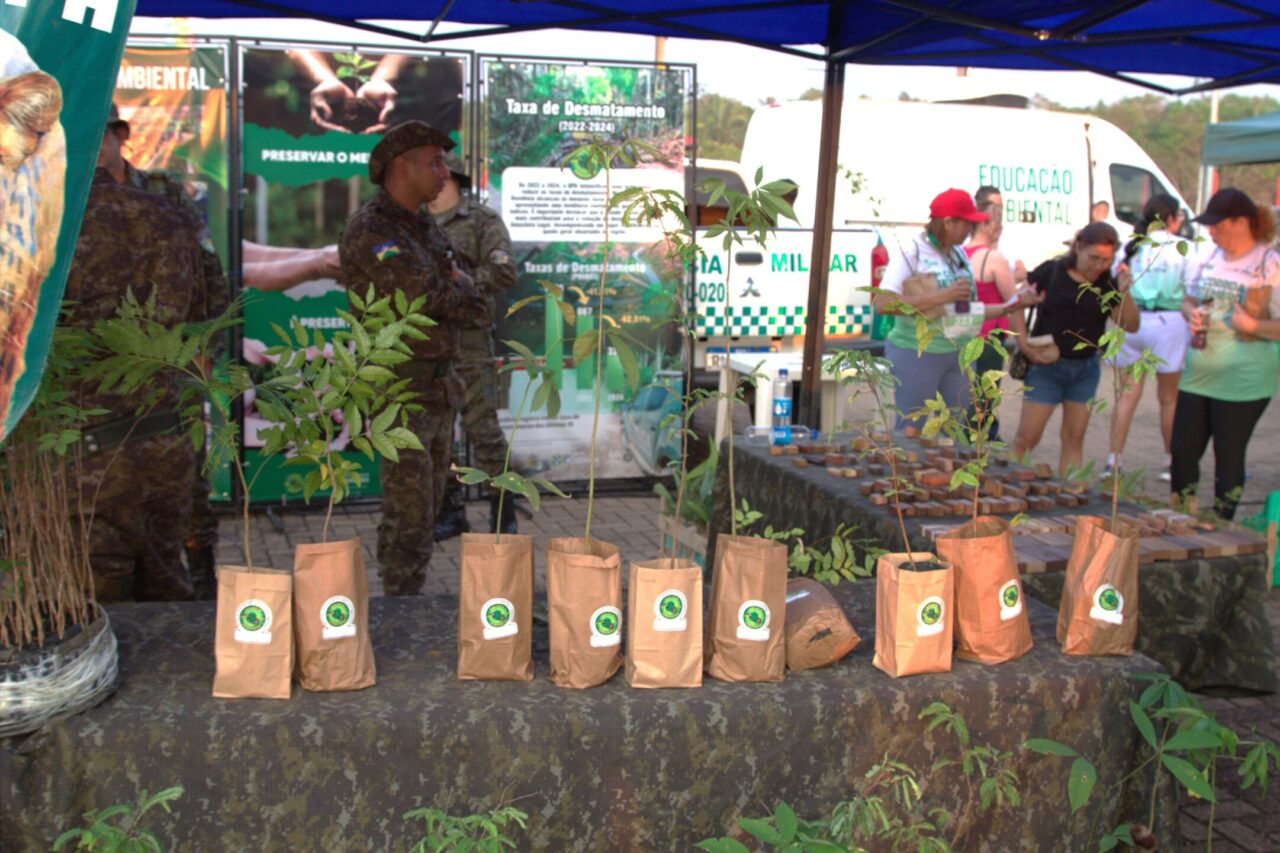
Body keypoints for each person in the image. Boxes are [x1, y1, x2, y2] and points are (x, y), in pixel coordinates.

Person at [63, 123, 214, 602]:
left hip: (82, 453)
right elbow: (206, 311)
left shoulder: (45, 225)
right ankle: (183, 673)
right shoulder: (168, 217)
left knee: (93, 599)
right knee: (164, 577)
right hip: (163, 440)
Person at [338, 121, 487, 596]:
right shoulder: (373, 230)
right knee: (408, 514)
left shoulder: (422, 226)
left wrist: (460, 290)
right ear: (402, 167)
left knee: (428, 507)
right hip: (399, 393)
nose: (445, 172)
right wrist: (460, 290)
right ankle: (400, 611)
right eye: (435, 161)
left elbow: (468, 295)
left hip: (437, 389)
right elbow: (428, 295)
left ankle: (408, 601)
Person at [100, 103, 229, 600]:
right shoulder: (66, 198)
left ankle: (201, 576)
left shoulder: (164, 193)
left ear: (121, 135)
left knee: (189, 478)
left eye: (102, 135)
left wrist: (206, 346)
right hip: (106, 375)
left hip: (172, 365)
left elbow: (208, 271)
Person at [874, 188, 1035, 426]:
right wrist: (941, 296)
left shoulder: (959, 253)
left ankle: (947, 465)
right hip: (917, 352)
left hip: (959, 352)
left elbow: (964, 310)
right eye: (968, 224)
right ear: (949, 223)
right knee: (911, 430)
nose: (972, 230)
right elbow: (883, 303)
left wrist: (1009, 306)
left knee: (957, 429)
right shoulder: (912, 251)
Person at [1171, 188, 1280, 519]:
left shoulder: (1269, 263)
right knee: (1182, 452)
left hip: (1243, 380)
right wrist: (1190, 313)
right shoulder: (1209, 257)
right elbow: (1186, 299)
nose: (1211, 232)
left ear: (1241, 222)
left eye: (1217, 225)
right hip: (1198, 372)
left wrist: (1252, 324)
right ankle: (1181, 522)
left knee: (1228, 455)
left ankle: (1222, 528)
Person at [427, 152, 519, 539]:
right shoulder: (415, 223)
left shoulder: (481, 220)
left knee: (483, 429)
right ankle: (450, 512)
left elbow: (503, 271)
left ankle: (504, 511)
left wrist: (459, 280)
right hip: (428, 340)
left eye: (439, 174)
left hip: (470, 339)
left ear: (453, 179)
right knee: (437, 432)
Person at [1011, 222, 1140, 474]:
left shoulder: (1106, 284)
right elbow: (1016, 303)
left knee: (1074, 439)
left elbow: (1131, 325)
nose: (1098, 266)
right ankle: (1004, 491)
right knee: (1027, 438)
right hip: (1046, 366)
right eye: (1093, 258)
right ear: (1078, 247)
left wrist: (1124, 292)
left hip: (1085, 369)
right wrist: (1023, 342)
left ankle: (1068, 496)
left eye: (1106, 260)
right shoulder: (1053, 271)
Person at [1105, 194, 1190, 481]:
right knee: (1169, 399)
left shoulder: (1131, 248)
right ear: (1172, 218)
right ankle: (1170, 461)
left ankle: (1113, 460)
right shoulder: (1183, 248)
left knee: (1126, 394)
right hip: (1169, 322)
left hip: (1132, 321)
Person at [963, 198, 1027, 439]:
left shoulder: (961, 254)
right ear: (990, 226)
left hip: (962, 333)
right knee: (984, 399)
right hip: (988, 337)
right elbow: (1013, 302)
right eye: (999, 225)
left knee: (963, 394)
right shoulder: (992, 258)